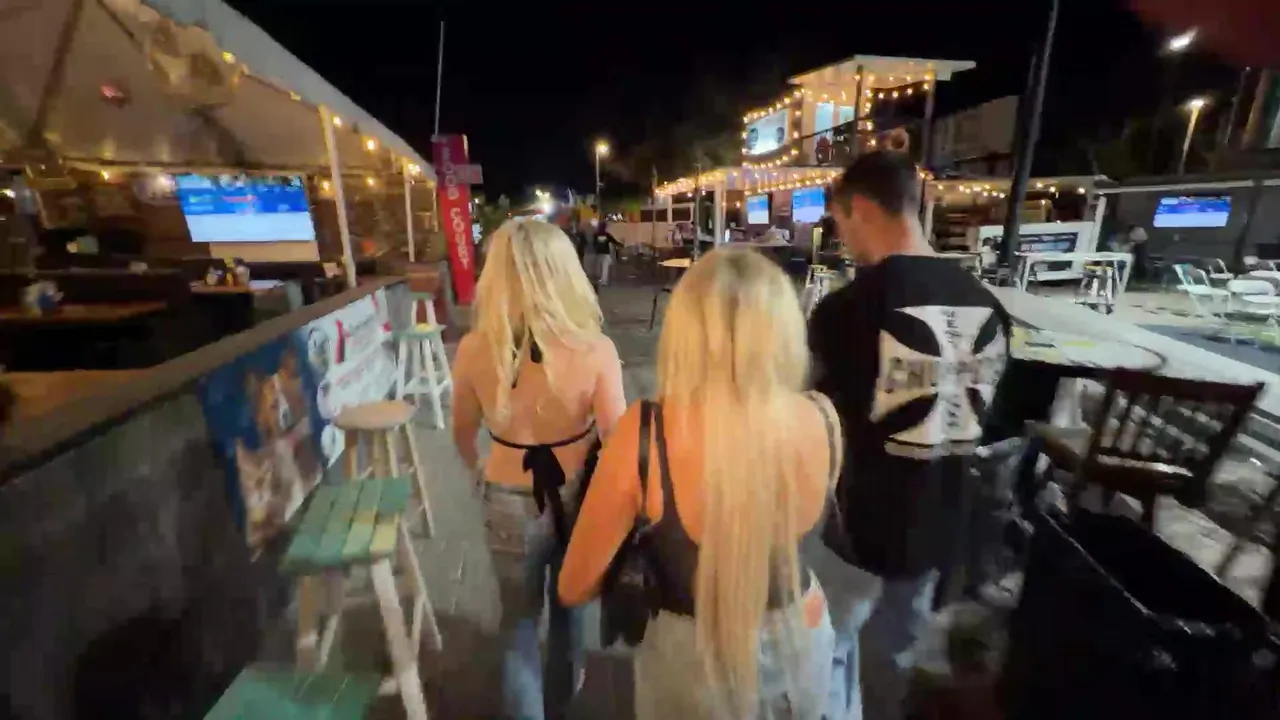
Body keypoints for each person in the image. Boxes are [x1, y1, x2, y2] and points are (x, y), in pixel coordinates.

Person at [559, 249, 838, 719]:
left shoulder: (646, 431)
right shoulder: (823, 416)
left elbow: (573, 586)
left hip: (689, 655)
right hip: (802, 633)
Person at [805, 151, 1012, 720]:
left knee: (828, 653)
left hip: (856, 529)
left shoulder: (847, 310)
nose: (842, 237)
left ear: (861, 209)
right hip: (940, 521)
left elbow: (815, 420)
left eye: (840, 221)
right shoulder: (988, 307)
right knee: (895, 661)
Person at [451, 218, 627, 720]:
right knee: (571, 612)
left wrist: (478, 470)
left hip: (507, 495)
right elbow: (617, 438)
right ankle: (561, 705)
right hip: (580, 497)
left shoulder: (474, 349)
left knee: (518, 627)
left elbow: (462, 431)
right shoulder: (595, 349)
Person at [592, 219, 622, 287]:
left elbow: (593, 243)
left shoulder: (596, 235)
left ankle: (599, 280)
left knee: (599, 267)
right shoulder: (607, 234)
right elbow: (614, 241)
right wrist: (621, 245)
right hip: (605, 253)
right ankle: (604, 281)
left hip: (598, 253)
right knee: (605, 268)